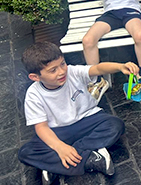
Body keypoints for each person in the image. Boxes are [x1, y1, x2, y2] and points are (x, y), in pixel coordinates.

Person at [18, 42, 134, 184]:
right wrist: (59, 146)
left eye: (62, 64)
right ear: (35, 77)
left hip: (88, 120)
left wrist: (120, 66)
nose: (61, 71)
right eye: (53, 70)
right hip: (58, 132)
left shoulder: (72, 72)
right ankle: (90, 158)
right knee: (26, 152)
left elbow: (97, 68)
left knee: (115, 125)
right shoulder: (33, 95)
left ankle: (57, 164)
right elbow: (41, 127)